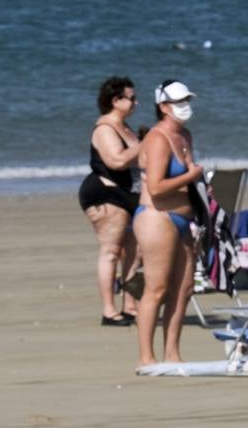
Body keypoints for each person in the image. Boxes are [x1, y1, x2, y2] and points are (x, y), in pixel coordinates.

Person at [133, 79, 204, 369]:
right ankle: (146, 357)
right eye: (178, 102)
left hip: (184, 218)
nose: (184, 107)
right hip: (156, 217)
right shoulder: (157, 138)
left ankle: (172, 354)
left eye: (187, 100)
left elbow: (189, 178)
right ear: (163, 107)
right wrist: (192, 176)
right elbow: (158, 186)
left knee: (184, 287)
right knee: (157, 288)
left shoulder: (184, 135)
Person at [78, 76, 143, 327]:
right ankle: (109, 311)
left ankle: (129, 305)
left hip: (128, 194)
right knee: (111, 250)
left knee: (134, 253)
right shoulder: (105, 128)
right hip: (105, 194)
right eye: (132, 98)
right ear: (116, 101)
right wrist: (144, 144)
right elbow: (116, 161)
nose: (136, 102)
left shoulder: (124, 126)